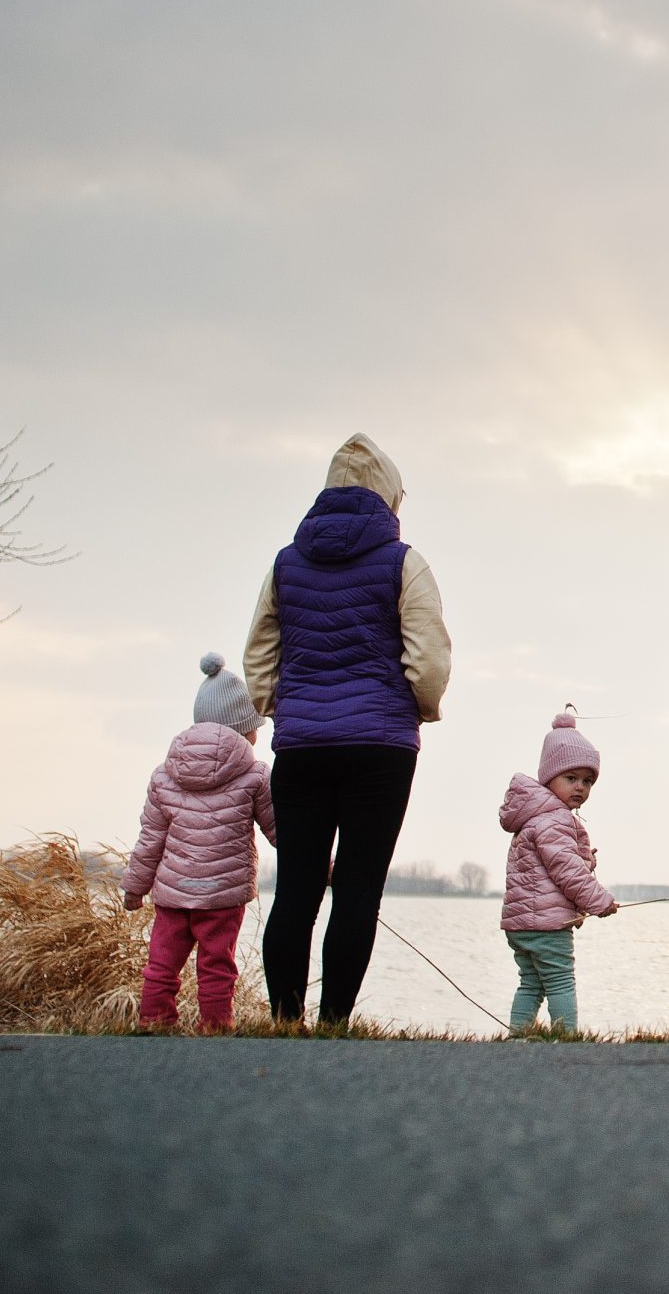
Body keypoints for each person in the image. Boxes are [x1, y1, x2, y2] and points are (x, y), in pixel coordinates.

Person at [244, 434, 453, 1026]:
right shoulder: (404, 562)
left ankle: (286, 1019)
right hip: (380, 749)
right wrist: (419, 707)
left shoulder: (286, 562)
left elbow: (259, 650)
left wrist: (276, 706)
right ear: (390, 496)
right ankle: (335, 1021)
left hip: (303, 745)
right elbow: (429, 658)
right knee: (358, 889)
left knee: (297, 891)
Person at [120, 653, 278, 1031]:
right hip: (222, 896)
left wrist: (133, 887)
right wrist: (324, 868)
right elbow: (282, 832)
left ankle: (154, 1022)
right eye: (253, 727)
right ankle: (215, 1027)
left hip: (173, 894)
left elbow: (150, 841)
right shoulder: (255, 776)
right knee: (216, 964)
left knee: (161, 962)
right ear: (243, 729)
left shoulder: (165, 775)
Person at [497, 711, 618, 1034]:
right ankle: (566, 1041)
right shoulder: (554, 819)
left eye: (587, 781)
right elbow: (567, 872)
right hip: (547, 924)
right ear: (549, 777)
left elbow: (554, 867)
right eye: (571, 778)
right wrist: (599, 901)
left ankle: (517, 1036)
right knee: (561, 980)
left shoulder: (532, 818)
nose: (580, 788)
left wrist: (582, 857)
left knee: (532, 983)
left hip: (521, 923)